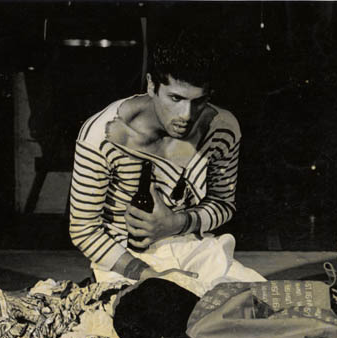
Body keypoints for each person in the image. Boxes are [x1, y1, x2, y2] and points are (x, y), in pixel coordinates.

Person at [69, 31, 266, 297]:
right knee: (164, 312)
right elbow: (83, 229)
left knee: (267, 304)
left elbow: (223, 204)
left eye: (199, 101)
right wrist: (144, 273)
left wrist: (177, 223)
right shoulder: (101, 135)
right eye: (175, 98)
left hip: (195, 248)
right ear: (152, 86)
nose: (186, 115)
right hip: (125, 257)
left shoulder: (222, 128)